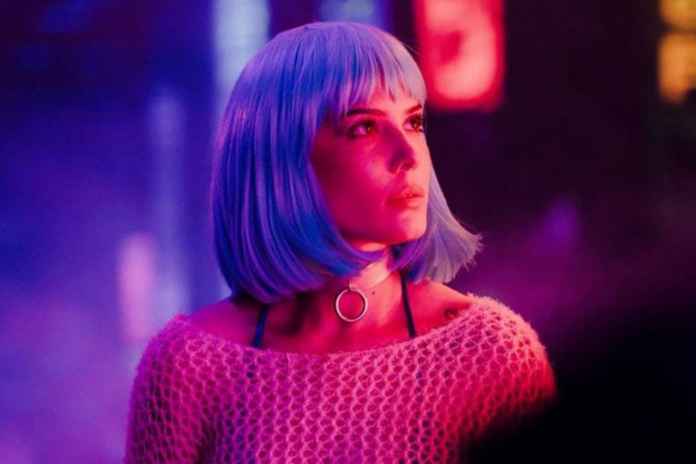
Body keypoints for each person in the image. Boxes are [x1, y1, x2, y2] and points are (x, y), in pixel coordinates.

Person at [125, 21, 556, 463]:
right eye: (364, 128)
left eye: (413, 122)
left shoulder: (491, 355)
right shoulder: (189, 365)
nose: (409, 155)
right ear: (284, 158)